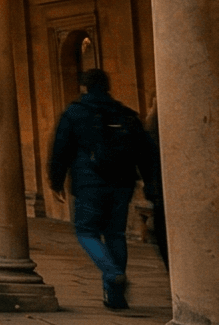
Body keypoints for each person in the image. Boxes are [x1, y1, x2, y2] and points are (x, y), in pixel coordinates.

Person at [46, 69, 150, 310]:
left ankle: (112, 273)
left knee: (87, 232)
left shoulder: (75, 112)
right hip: (123, 182)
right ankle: (115, 297)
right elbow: (144, 150)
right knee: (116, 234)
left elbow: (60, 149)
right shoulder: (125, 113)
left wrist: (56, 181)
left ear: (83, 87)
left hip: (89, 182)